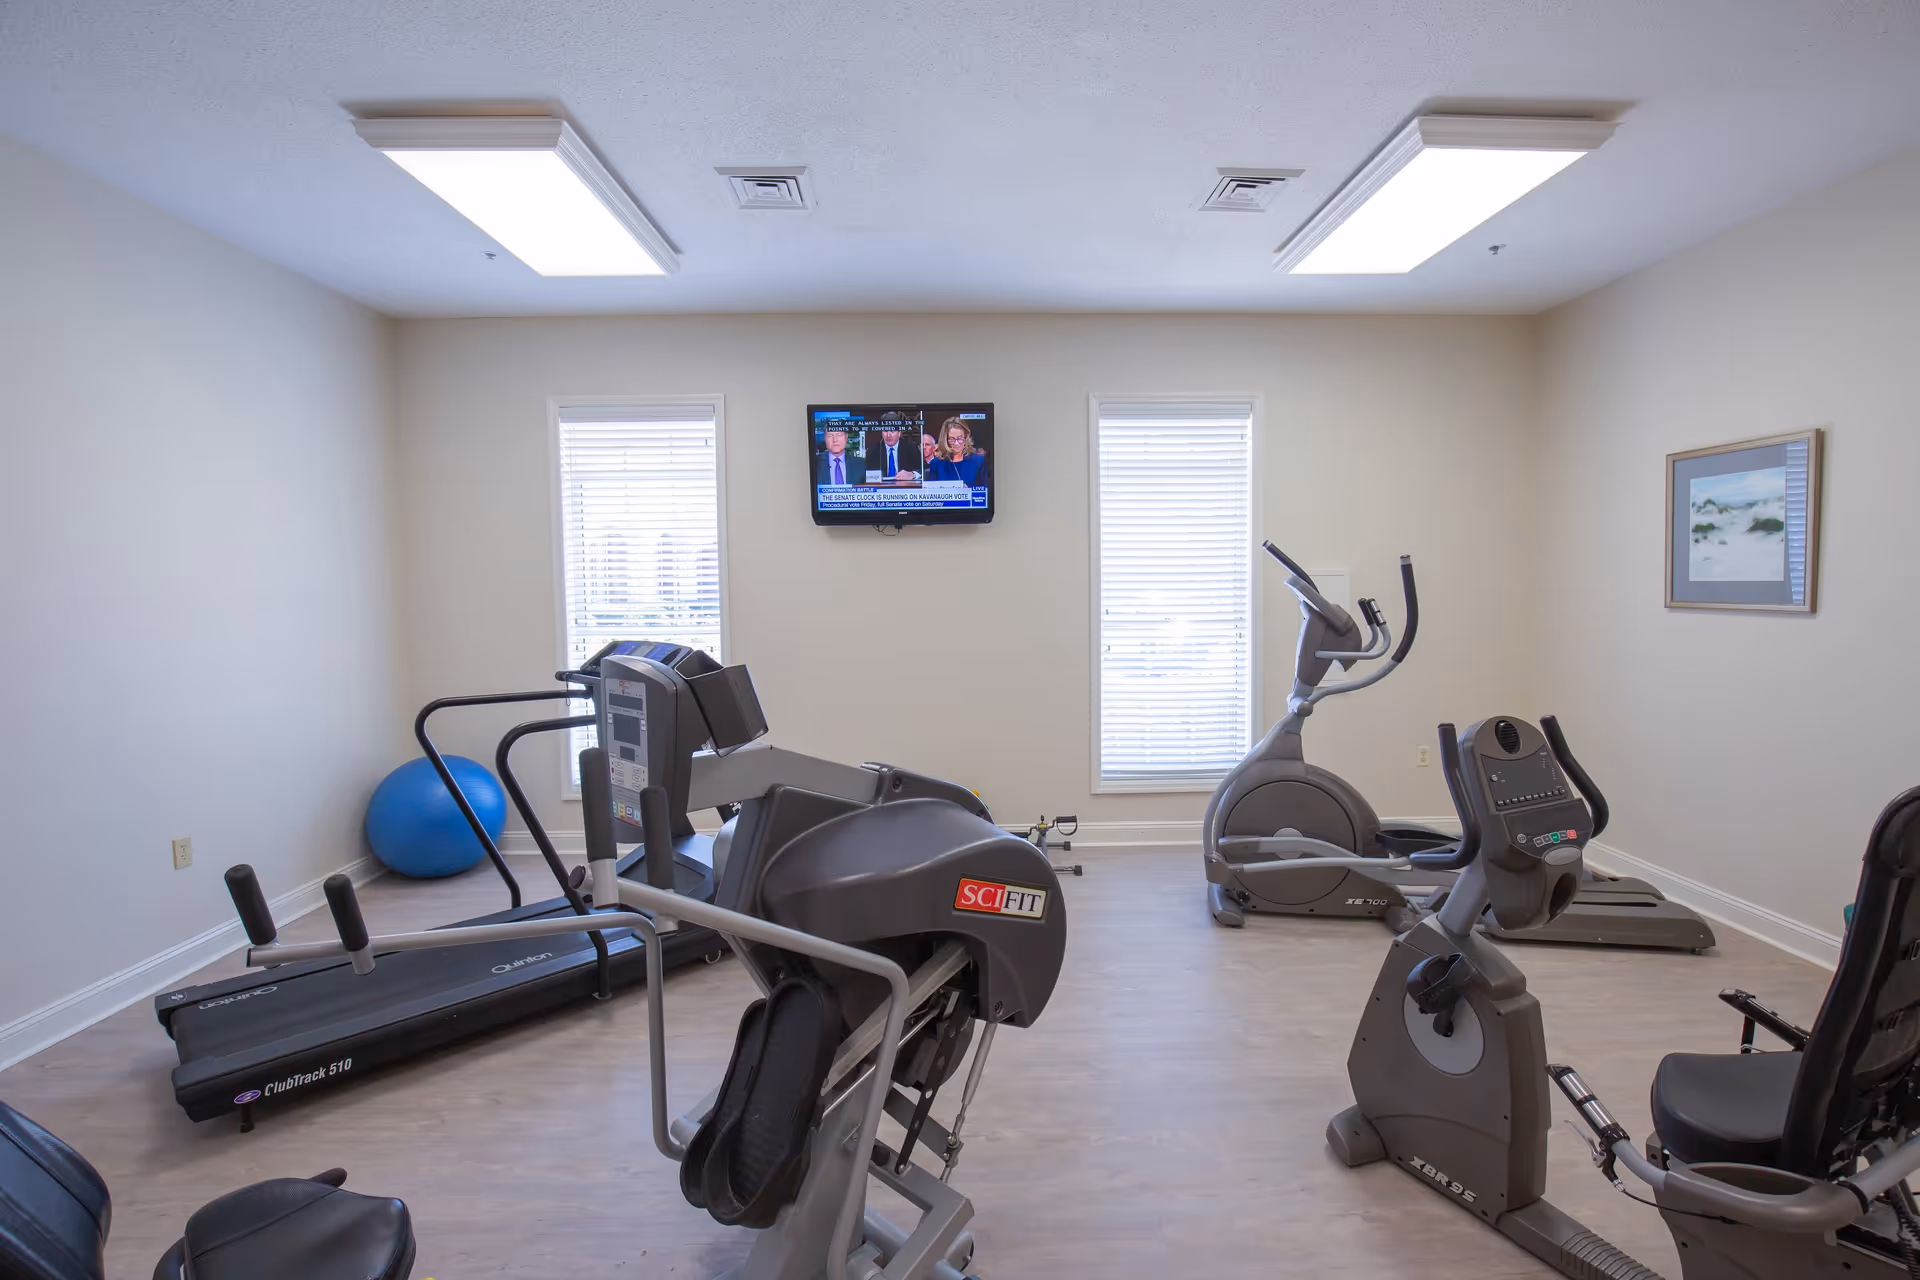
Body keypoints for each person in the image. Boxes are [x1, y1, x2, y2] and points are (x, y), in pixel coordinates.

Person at [926, 417, 987, 485]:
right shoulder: (936, 463)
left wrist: (968, 490)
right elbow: (932, 491)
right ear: (945, 440)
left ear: (966, 437)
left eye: (960, 438)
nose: (956, 443)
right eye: (952, 439)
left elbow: (984, 490)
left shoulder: (978, 461)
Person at [863, 413, 919, 481]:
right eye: (885, 431)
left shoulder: (910, 448)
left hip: (904, 487)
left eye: (892, 431)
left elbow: (922, 469)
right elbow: (866, 473)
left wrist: (912, 474)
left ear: (899, 433)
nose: (888, 435)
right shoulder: (874, 449)